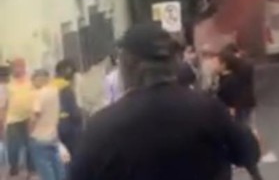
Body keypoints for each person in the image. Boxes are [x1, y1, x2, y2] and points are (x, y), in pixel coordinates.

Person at [68, 22, 261, 180]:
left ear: (129, 64)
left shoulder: (101, 127)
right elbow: (249, 153)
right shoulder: (209, 110)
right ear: (174, 64)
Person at [28, 69, 65, 180]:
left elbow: (36, 115)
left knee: (45, 171)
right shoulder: (55, 92)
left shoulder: (38, 94)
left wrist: (29, 131)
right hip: (53, 136)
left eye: (33, 80)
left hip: (39, 138)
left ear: (39, 79)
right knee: (57, 167)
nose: (32, 83)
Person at [5, 58, 35, 178]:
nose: (18, 68)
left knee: (30, 144)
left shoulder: (31, 82)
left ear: (24, 67)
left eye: (20, 66)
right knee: (13, 146)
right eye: (16, 66)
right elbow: (4, 103)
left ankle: (31, 170)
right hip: (13, 119)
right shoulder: (8, 84)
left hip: (29, 118)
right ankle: (14, 167)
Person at [53, 59, 82, 156]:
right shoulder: (66, 89)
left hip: (54, 128)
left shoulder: (49, 86)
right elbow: (75, 114)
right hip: (69, 127)